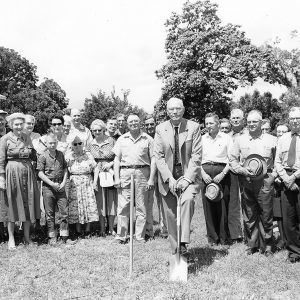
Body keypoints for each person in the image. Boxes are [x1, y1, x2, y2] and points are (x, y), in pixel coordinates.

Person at [154, 97, 202, 255]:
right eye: (171, 109)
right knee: (171, 215)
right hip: (168, 177)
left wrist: (187, 179)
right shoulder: (160, 129)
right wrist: (170, 179)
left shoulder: (193, 127)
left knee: (187, 200)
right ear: (167, 111)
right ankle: (176, 251)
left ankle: (183, 242)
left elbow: (196, 156)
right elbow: (159, 157)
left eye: (178, 108)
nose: (175, 112)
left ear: (183, 109)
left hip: (187, 175)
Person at [229, 109, 277, 256]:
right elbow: (232, 159)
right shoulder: (240, 139)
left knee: (266, 213)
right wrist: (242, 170)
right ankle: (252, 244)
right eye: (249, 122)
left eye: (254, 121)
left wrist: (273, 176)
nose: (251, 124)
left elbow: (278, 161)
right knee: (249, 213)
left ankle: (267, 245)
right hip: (247, 180)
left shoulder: (272, 139)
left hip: (265, 180)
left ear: (261, 123)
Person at [0, 113, 40, 249]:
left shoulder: (26, 137)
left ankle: (27, 237)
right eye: (16, 124)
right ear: (11, 125)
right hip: (12, 173)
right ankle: (11, 238)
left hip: (27, 173)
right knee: (12, 204)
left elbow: (33, 154)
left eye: (20, 124)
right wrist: (2, 178)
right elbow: (1, 160)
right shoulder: (5, 139)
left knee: (28, 203)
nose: (18, 126)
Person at [113, 114, 155, 243]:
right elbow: (116, 159)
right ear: (127, 123)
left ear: (140, 123)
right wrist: (117, 178)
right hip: (125, 172)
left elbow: (154, 159)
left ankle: (140, 236)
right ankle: (121, 235)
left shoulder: (147, 139)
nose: (133, 123)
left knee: (141, 206)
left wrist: (151, 178)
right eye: (131, 121)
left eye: (136, 121)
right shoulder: (122, 139)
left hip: (143, 173)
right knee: (123, 206)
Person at [201, 113, 233, 245]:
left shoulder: (226, 138)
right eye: (206, 123)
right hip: (206, 172)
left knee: (222, 205)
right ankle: (212, 238)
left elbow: (232, 159)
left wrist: (223, 174)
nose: (208, 126)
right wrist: (203, 174)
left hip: (222, 173)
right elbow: (196, 159)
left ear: (218, 124)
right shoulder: (201, 139)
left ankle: (224, 237)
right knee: (208, 206)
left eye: (211, 123)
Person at [275, 107, 300, 263]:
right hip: (286, 178)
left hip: (298, 176)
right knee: (289, 218)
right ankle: (294, 252)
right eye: (292, 118)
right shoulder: (283, 138)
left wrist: (294, 177)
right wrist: (286, 178)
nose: (295, 121)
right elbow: (277, 161)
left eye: (298, 118)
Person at [37, 133, 68, 245]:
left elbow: (65, 169)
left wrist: (64, 182)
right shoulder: (43, 156)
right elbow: (40, 173)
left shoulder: (60, 154)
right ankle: (52, 236)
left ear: (57, 143)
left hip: (60, 186)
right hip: (48, 187)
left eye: (54, 143)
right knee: (50, 214)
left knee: (64, 212)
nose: (52, 145)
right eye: (50, 143)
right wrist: (51, 183)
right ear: (46, 143)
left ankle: (64, 235)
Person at [66, 135, 99, 237]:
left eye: (79, 143)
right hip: (74, 183)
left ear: (83, 144)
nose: (77, 145)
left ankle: (88, 229)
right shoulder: (69, 155)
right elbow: (65, 170)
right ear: (72, 145)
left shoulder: (88, 155)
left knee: (88, 205)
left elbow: (96, 168)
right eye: (75, 144)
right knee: (76, 206)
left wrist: (95, 182)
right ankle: (78, 230)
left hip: (87, 182)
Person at [90, 119, 116, 236]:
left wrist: (110, 164)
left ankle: (111, 228)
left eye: (99, 130)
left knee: (111, 202)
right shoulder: (90, 143)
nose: (97, 132)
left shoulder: (111, 141)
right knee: (100, 202)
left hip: (110, 173)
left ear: (104, 129)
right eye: (94, 130)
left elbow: (119, 156)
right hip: (97, 175)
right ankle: (101, 228)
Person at [144, 115, 168, 238]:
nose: (149, 127)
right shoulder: (144, 138)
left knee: (162, 201)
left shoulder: (161, 135)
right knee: (148, 203)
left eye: (151, 124)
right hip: (148, 175)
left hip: (161, 173)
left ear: (155, 124)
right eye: (147, 124)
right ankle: (149, 230)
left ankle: (165, 229)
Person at [227, 108, 245, 243]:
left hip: (247, 173)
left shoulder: (249, 134)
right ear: (230, 120)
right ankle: (236, 234)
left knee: (248, 203)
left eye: (238, 118)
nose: (236, 120)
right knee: (233, 203)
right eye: (233, 118)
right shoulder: (227, 136)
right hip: (232, 173)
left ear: (243, 119)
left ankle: (249, 231)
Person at [0, 110, 8, 242]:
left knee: (4, 203)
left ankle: (4, 231)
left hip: (7, 171)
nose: (0, 121)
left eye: (2, 119)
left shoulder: (8, 134)